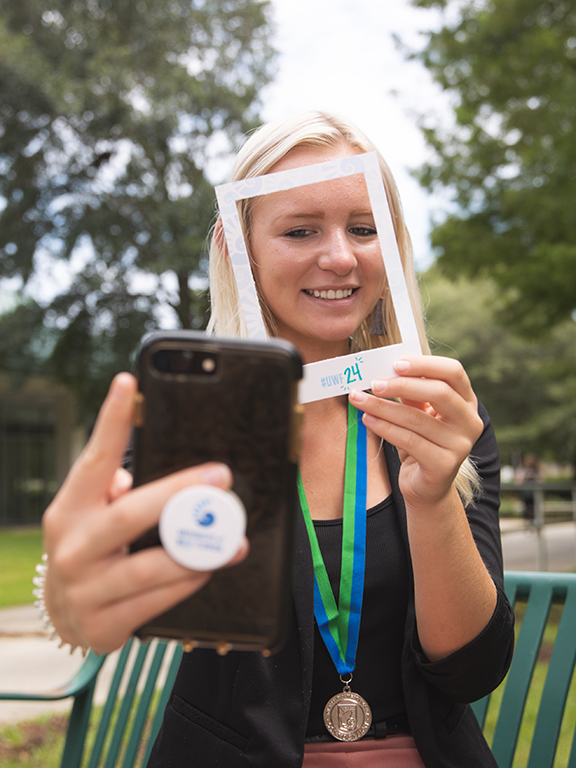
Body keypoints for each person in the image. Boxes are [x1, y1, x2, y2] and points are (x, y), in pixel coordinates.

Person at [41, 112, 514, 767]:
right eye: (300, 230)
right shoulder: (189, 418)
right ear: (237, 246)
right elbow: (99, 575)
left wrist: (432, 499)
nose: (341, 257)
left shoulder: (439, 413)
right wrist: (67, 598)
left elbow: (471, 672)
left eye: (364, 228)